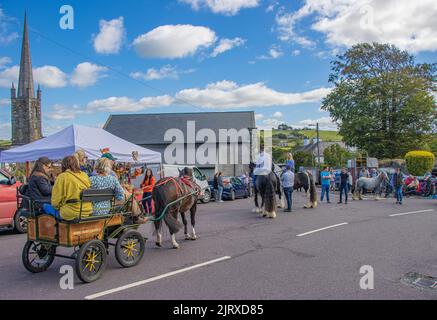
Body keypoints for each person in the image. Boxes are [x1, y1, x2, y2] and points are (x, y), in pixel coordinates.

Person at [48, 156, 93, 220]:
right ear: (77, 164)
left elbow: (55, 202)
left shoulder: (62, 177)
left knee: (45, 206)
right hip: (87, 210)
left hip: (71, 212)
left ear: (63, 165)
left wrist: (59, 206)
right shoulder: (84, 175)